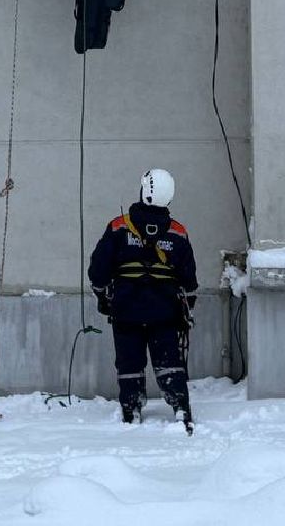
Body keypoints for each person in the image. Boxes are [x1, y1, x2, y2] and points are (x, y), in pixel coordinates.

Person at [87, 168, 198, 429]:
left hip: (126, 309)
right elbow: (189, 278)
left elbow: (98, 270)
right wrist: (187, 306)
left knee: (129, 361)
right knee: (169, 360)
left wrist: (102, 296)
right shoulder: (178, 232)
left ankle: (131, 407)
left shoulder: (119, 227)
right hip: (165, 311)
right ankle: (180, 406)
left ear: (144, 191)